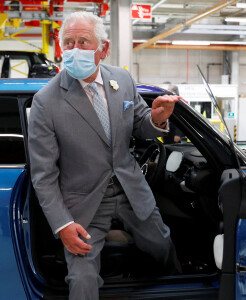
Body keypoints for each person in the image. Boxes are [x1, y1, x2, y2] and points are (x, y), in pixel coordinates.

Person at [28, 11, 181, 300]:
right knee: (82, 277)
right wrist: (63, 225)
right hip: (83, 202)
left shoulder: (121, 79)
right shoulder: (46, 102)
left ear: (103, 49)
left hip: (130, 189)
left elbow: (138, 123)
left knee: (162, 244)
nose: (74, 50)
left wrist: (156, 119)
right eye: (68, 42)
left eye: (83, 42)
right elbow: (43, 175)